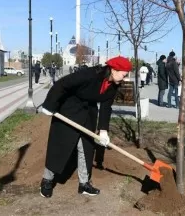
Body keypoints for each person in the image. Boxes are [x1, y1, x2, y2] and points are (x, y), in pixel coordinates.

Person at [39, 56, 132, 198]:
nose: (125, 78)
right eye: (124, 74)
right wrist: (49, 105)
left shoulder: (114, 86)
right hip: (69, 109)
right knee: (60, 145)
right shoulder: (91, 74)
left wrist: (103, 131)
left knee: (86, 148)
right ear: (114, 69)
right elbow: (63, 84)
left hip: (89, 113)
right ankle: (47, 181)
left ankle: (84, 184)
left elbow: (106, 107)